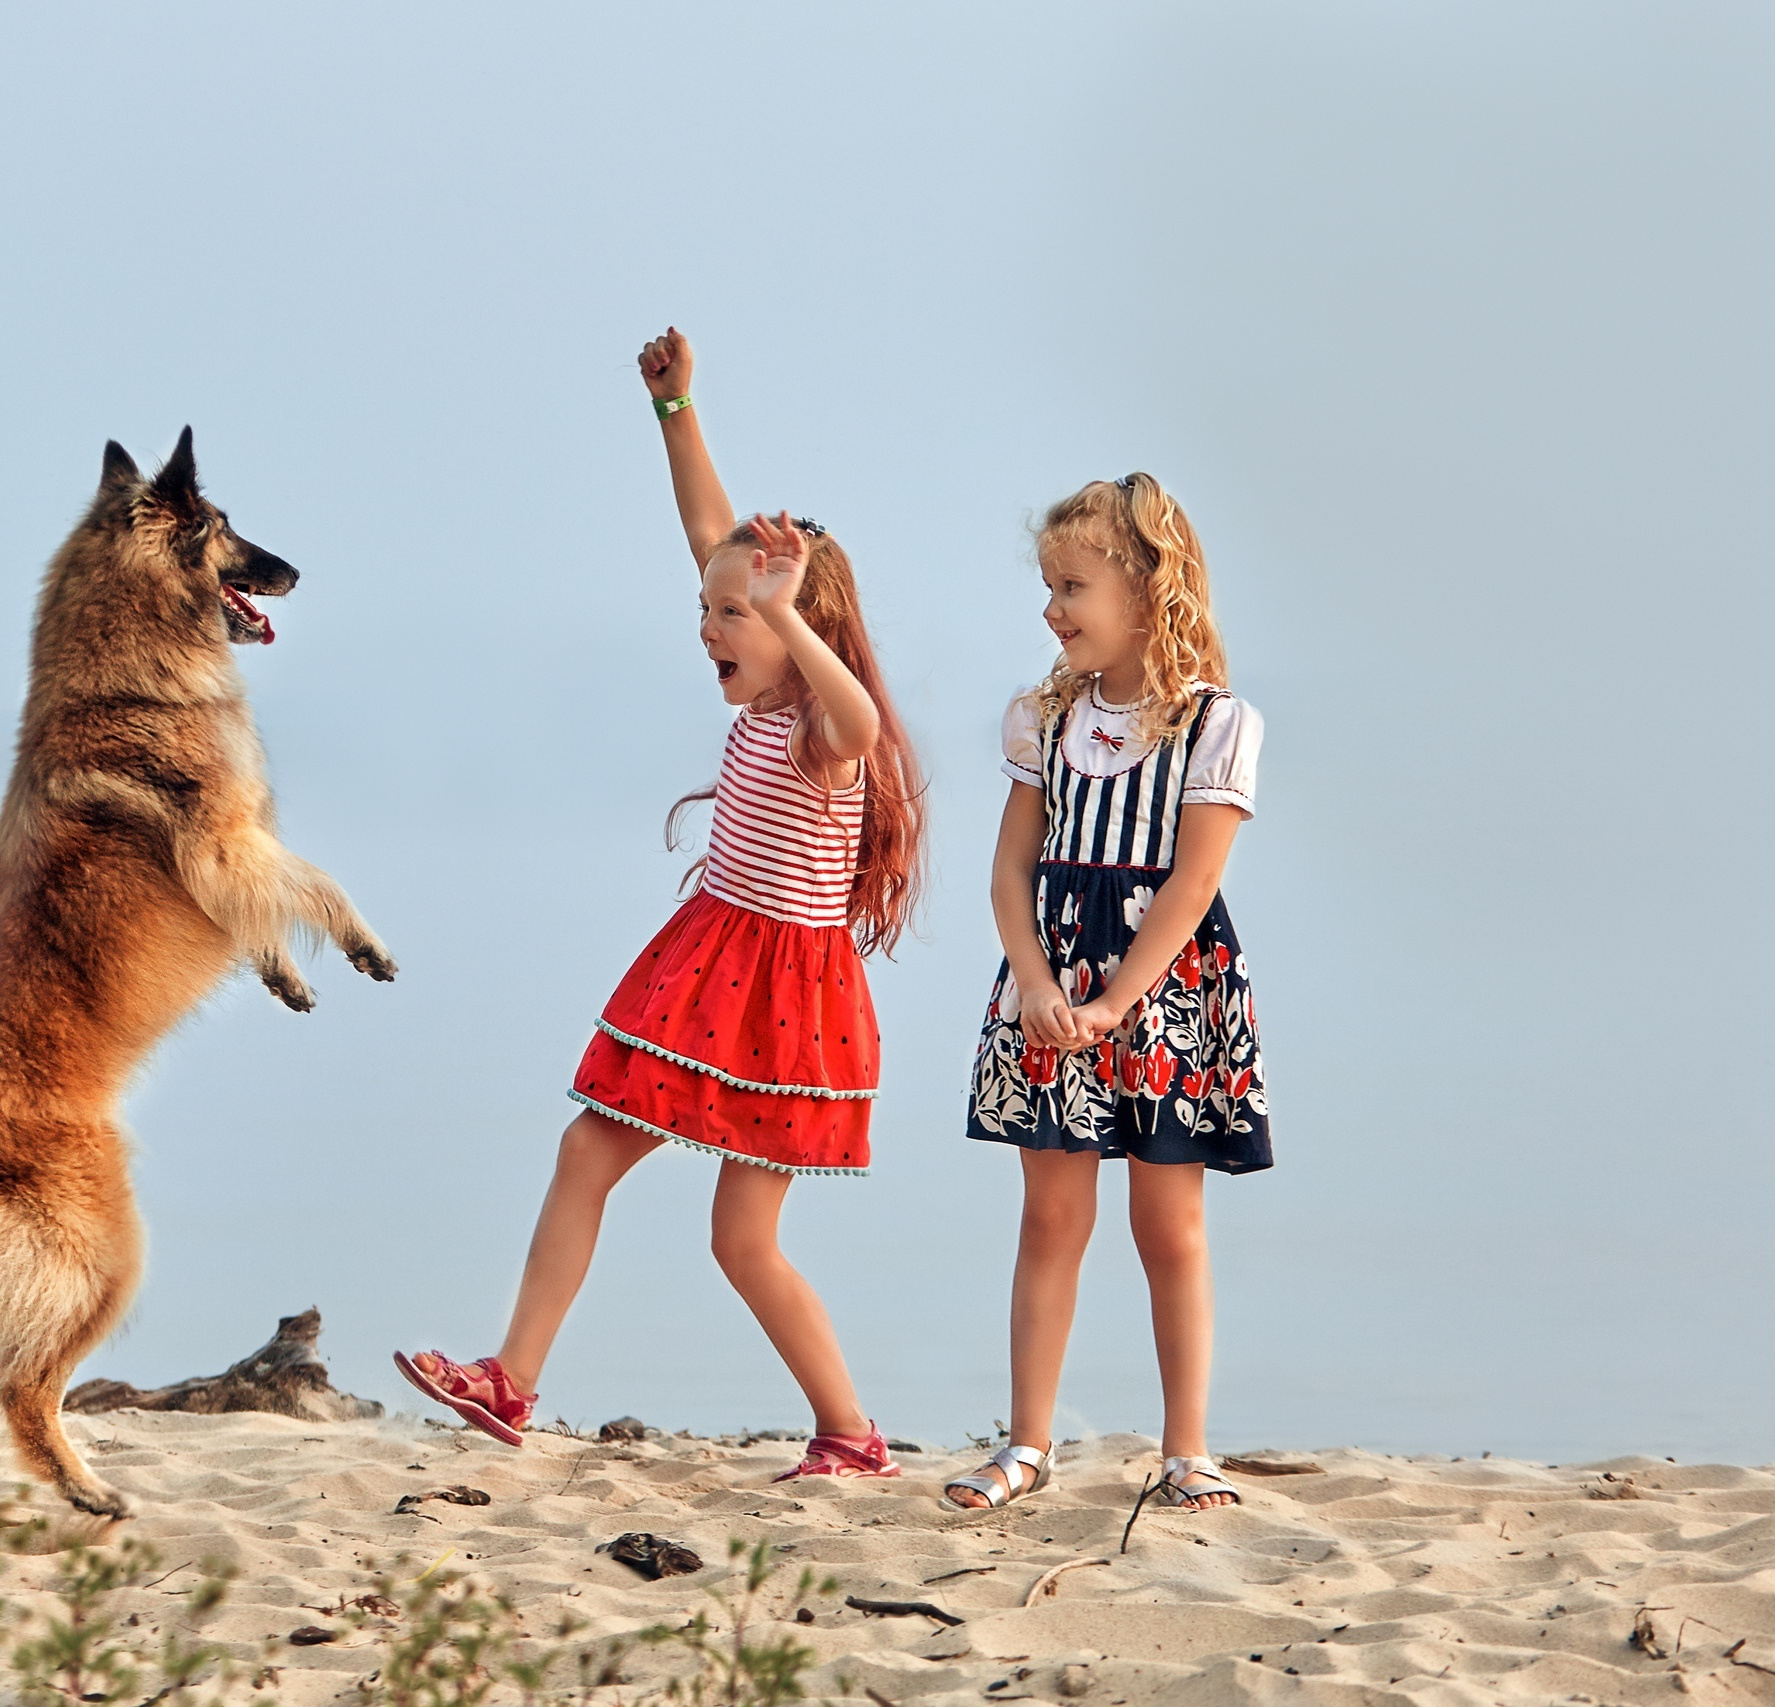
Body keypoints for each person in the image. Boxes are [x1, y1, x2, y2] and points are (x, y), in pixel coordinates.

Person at [394, 327, 925, 1480]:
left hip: (783, 998)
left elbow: (861, 722)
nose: (709, 628)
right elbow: (708, 534)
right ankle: (512, 1378)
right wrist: (676, 411)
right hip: (710, 966)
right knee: (587, 1150)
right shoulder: (764, 698)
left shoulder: (822, 734)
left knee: (742, 1240)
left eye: (732, 617)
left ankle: (849, 1432)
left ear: (800, 630)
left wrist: (785, 614)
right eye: (708, 610)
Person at [946, 474, 1270, 1513]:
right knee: (1050, 1219)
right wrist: (1036, 982)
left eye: (1072, 586)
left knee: (1168, 1226)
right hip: (1052, 988)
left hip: (1163, 993)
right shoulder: (1043, 719)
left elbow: (1192, 883)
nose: (1052, 608)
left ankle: (1187, 1449)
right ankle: (1027, 1444)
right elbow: (1010, 872)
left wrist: (1118, 999)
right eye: (1049, 586)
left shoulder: (1214, 724)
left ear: (1146, 589)